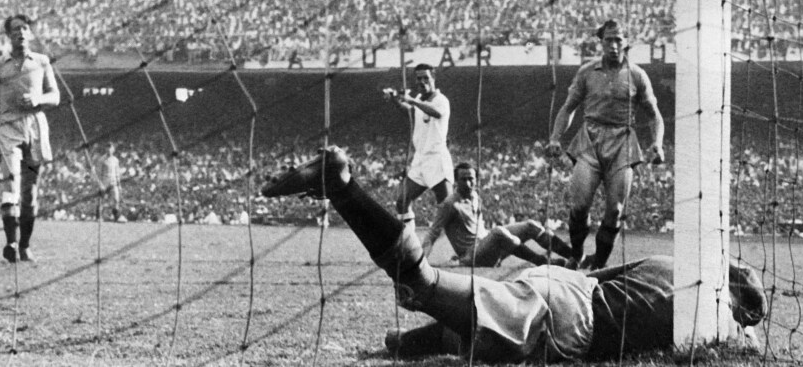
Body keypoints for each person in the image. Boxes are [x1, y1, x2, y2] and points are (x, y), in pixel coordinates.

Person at [261, 147, 766, 362]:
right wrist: (745, 331)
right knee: (422, 282)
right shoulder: (710, 316)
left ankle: (408, 343)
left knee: (471, 314)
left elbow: (599, 276)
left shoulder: (670, 264)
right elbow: (738, 337)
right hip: (574, 318)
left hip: (564, 287)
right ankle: (343, 186)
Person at [546, 19, 665, 270]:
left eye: (618, 40)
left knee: (615, 210)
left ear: (626, 42)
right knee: (579, 206)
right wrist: (555, 138)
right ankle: (576, 253)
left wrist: (657, 143)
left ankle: (599, 264)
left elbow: (654, 114)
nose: (613, 45)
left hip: (622, 142)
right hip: (590, 140)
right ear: (601, 42)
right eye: (608, 39)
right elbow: (568, 108)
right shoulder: (587, 72)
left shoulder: (636, 74)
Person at [0, 14, 60, 263]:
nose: (20, 32)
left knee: (31, 193)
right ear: (8, 35)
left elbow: (55, 95)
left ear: (31, 33)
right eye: (15, 29)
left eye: (25, 28)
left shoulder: (42, 62)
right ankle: (10, 243)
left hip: (35, 129)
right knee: (11, 185)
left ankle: (24, 245)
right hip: (7, 128)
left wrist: (39, 100)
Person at [422, 162, 572, 267]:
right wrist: (421, 262)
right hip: (472, 255)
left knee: (530, 225)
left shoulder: (475, 196)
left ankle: (574, 256)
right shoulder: (450, 204)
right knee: (498, 231)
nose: (468, 183)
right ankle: (543, 262)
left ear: (476, 180)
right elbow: (432, 233)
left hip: (487, 246)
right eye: (463, 179)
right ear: (456, 181)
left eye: (471, 179)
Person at [383, 63, 453, 231]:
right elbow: (410, 110)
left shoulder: (441, 100)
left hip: (436, 158)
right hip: (420, 159)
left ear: (433, 78)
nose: (422, 81)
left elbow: (436, 112)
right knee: (402, 201)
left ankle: (467, 247)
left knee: (449, 208)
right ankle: (410, 243)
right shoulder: (420, 99)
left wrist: (412, 100)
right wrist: (395, 99)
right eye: (419, 78)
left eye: (426, 78)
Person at [98, 143, 126, 222]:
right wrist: (100, 184)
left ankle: (117, 216)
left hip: (113, 182)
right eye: (107, 148)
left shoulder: (116, 160)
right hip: (104, 182)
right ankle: (99, 216)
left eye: (110, 148)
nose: (109, 150)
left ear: (113, 149)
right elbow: (98, 173)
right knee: (102, 200)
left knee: (116, 199)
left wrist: (119, 184)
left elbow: (117, 173)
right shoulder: (102, 160)